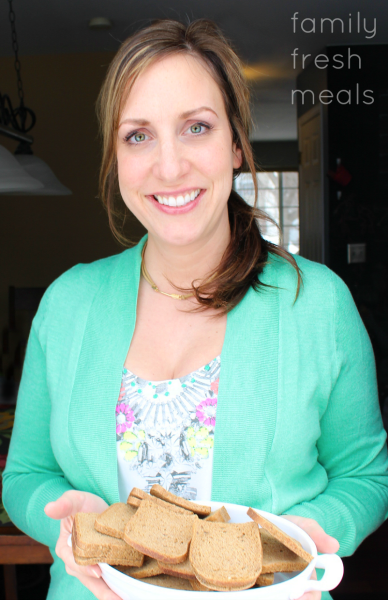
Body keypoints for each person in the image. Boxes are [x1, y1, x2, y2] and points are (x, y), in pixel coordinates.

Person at [3, 18, 388, 600]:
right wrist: (61, 519)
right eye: (138, 135)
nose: (169, 166)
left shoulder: (318, 303)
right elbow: (25, 475)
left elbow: (365, 477)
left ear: (236, 144)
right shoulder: (67, 305)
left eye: (196, 128)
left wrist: (307, 538)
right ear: (115, 156)